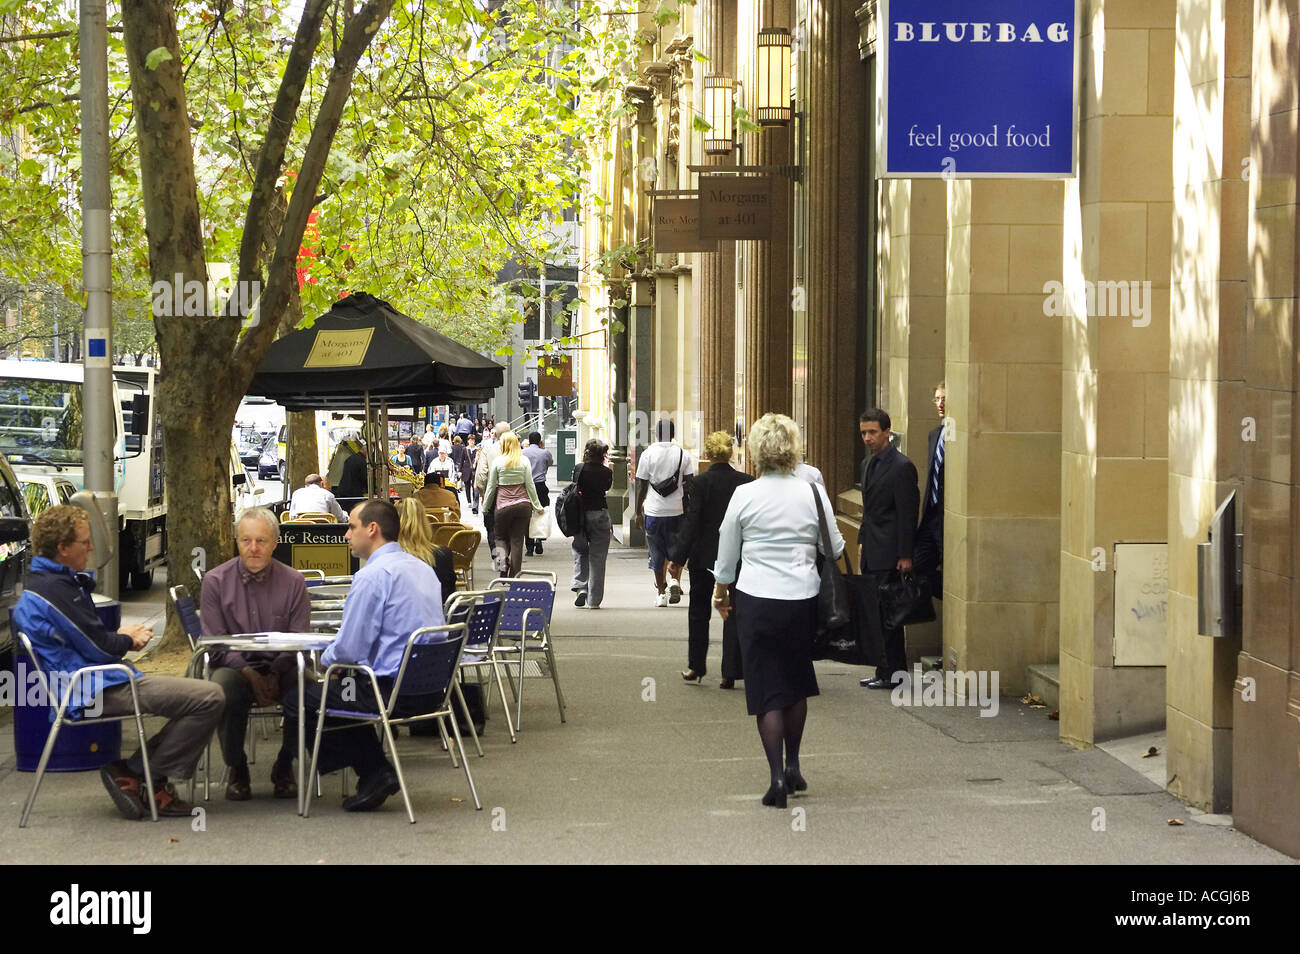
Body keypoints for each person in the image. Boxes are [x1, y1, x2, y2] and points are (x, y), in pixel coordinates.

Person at [13, 505, 224, 819]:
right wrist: (129, 639)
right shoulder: (55, 591)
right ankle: (143, 776)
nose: (91, 547)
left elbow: (84, 639)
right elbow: (101, 648)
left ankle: (137, 773)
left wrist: (118, 635)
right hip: (94, 688)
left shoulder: (47, 583)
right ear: (63, 549)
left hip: (92, 681)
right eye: (84, 541)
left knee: (201, 697)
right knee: (210, 697)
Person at [712, 414, 844, 808]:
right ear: (793, 448)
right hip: (801, 598)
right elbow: (834, 547)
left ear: (755, 451)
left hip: (755, 599)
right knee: (796, 682)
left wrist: (721, 592)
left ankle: (775, 779)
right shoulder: (812, 493)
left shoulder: (745, 496)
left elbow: (726, 554)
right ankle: (794, 763)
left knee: (767, 689)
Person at [278, 500, 444, 812]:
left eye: (351, 527)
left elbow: (350, 649)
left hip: (389, 690)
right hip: (431, 688)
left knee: (300, 699)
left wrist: (327, 661)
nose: (345, 535)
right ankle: (373, 772)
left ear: (372, 529)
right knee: (340, 690)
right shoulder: (423, 570)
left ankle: (373, 771)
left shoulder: (372, 576)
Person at [201, 508, 311, 800]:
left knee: (309, 690)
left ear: (275, 542)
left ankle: (285, 764)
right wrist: (250, 675)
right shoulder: (214, 581)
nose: (253, 548)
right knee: (223, 688)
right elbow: (215, 644)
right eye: (245, 540)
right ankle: (237, 767)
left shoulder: (294, 582)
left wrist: (275, 672)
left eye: (261, 541)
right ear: (236, 542)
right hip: (235, 666)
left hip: (283, 663)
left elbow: (300, 639)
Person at [666, 431, 754, 689]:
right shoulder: (747, 481)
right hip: (737, 556)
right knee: (733, 612)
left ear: (708, 454)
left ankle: (696, 666)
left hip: (703, 556)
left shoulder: (701, 483)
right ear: (730, 453)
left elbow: (692, 522)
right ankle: (730, 671)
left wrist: (678, 558)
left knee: (698, 611)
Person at [856, 408, 920, 690]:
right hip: (871, 549)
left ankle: (896, 673)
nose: (867, 438)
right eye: (863, 433)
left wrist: (906, 555)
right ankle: (883, 670)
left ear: (886, 432)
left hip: (891, 553)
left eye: (872, 432)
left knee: (890, 616)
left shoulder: (902, 467)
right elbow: (868, 511)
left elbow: (907, 514)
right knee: (876, 615)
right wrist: (861, 543)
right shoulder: (867, 465)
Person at [634, 418, 697, 607]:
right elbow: (690, 482)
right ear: (673, 433)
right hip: (676, 511)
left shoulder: (647, 454)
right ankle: (675, 581)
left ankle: (661, 594)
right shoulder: (683, 454)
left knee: (656, 552)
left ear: (656, 434)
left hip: (653, 511)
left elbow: (642, 485)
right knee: (676, 550)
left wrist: (638, 512)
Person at [482, 431, 544, 577]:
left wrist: (485, 507)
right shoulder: (524, 461)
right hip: (523, 506)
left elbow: (491, 487)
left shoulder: (498, 461)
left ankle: (502, 566)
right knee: (517, 541)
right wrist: (537, 506)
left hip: (503, 507)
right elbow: (530, 485)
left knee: (500, 537)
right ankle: (515, 576)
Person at [569, 439, 613, 609]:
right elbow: (606, 488)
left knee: (580, 551)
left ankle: (581, 587)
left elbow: (574, 485)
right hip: (600, 514)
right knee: (598, 557)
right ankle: (594, 600)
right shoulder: (606, 472)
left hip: (580, 515)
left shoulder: (580, 468)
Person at [913, 382, 946, 599]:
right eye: (937, 399)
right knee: (917, 566)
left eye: (944, 399)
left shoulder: (959, 435)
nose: (940, 404)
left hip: (948, 517)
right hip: (931, 515)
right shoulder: (935, 434)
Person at [395, 497, 457, 599]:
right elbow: (450, 596)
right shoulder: (443, 555)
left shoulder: (388, 560)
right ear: (424, 522)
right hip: (437, 613)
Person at [522, 431, 553, 556]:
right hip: (540, 486)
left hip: (526, 487)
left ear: (529, 442)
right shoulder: (545, 453)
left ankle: (529, 547)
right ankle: (539, 540)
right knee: (541, 513)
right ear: (540, 442)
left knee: (527, 516)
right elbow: (550, 463)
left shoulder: (523, 453)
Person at [461, 433, 480, 513]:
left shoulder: (477, 450)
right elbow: (461, 460)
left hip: (475, 470)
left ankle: (474, 501)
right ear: (468, 441)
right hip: (466, 469)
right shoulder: (465, 449)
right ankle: (469, 501)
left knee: (474, 486)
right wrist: (460, 470)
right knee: (467, 485)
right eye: (470, 440)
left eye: (473, 440)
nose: (471, 442)